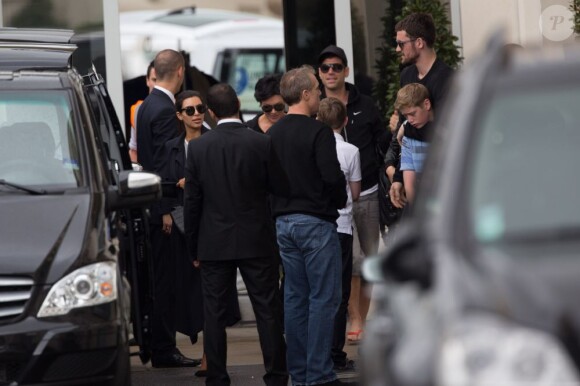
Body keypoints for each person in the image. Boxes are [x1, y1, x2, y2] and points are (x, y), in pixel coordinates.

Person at [183, 83, 290, 386]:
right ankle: (277, 375)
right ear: (238, 108)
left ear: (211, 113)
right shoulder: (260, 143)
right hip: (256, 237)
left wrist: (193, 248)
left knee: (214, 313)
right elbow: (280, 188)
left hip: (213, 241)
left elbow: (192, 202)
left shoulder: (199, 148)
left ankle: (217, 376)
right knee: (267, 310)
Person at [268, 65, 347, 386]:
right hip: (315, 223)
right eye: (315, 89)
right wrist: (337, 200)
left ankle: (300, 373)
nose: (319, 93)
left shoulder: (271, 134)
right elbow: (332, 177)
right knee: (324, 298)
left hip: (284, 224)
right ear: (304, 95)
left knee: (295, 299)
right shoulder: (318, 133)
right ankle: (318, 373)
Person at [318, 44, 389, 343]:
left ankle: (363, 315)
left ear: (346, 70)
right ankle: (355, 318)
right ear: (319, 74)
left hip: (369, 192)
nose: (331, 72)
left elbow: (384, 142)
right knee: (350, 261)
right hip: (336, 201)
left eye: (337, 66)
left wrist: (389, 172)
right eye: (325, 68)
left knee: (369, 261)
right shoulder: (314, 108)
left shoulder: (366, 104)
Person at [136, 49, 197, 368]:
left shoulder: (148, 105)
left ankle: (163, 345)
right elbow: (160, 163)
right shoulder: (162, 109)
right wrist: (163, 209)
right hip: (165, 207)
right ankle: (164, 348)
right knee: (166, 280)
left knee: (163, 278)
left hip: (158, 203)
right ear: (180, 71)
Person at [385, 12, 454, 210]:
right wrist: (398, 177)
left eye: (401, 43)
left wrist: (405, 131)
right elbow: (402, 127)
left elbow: (443, 131)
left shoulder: (447, 79)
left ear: (420, 43)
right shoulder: (407, 75)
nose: (397, 49)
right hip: (412, 176)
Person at [317, 97, 361, 373]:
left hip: (318, 224)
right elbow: (355, 193)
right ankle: (334, 352)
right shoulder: (350, 151)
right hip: (342, 225)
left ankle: (319, 350)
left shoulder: (312, 148)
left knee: (317, 290)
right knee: (339, 292)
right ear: (345, 121)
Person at [394, 83, 433, 204]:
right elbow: (409, 183)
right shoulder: (408, 136)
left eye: (412, 113)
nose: (410, 120)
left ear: (426, 104)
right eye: (406, 116)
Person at [128, 61, 156, 163]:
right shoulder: (137, 109)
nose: (157, 85)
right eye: (154, 80)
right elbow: (133, 150)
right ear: (147, 81)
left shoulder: (180, 107)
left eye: (160, 80)